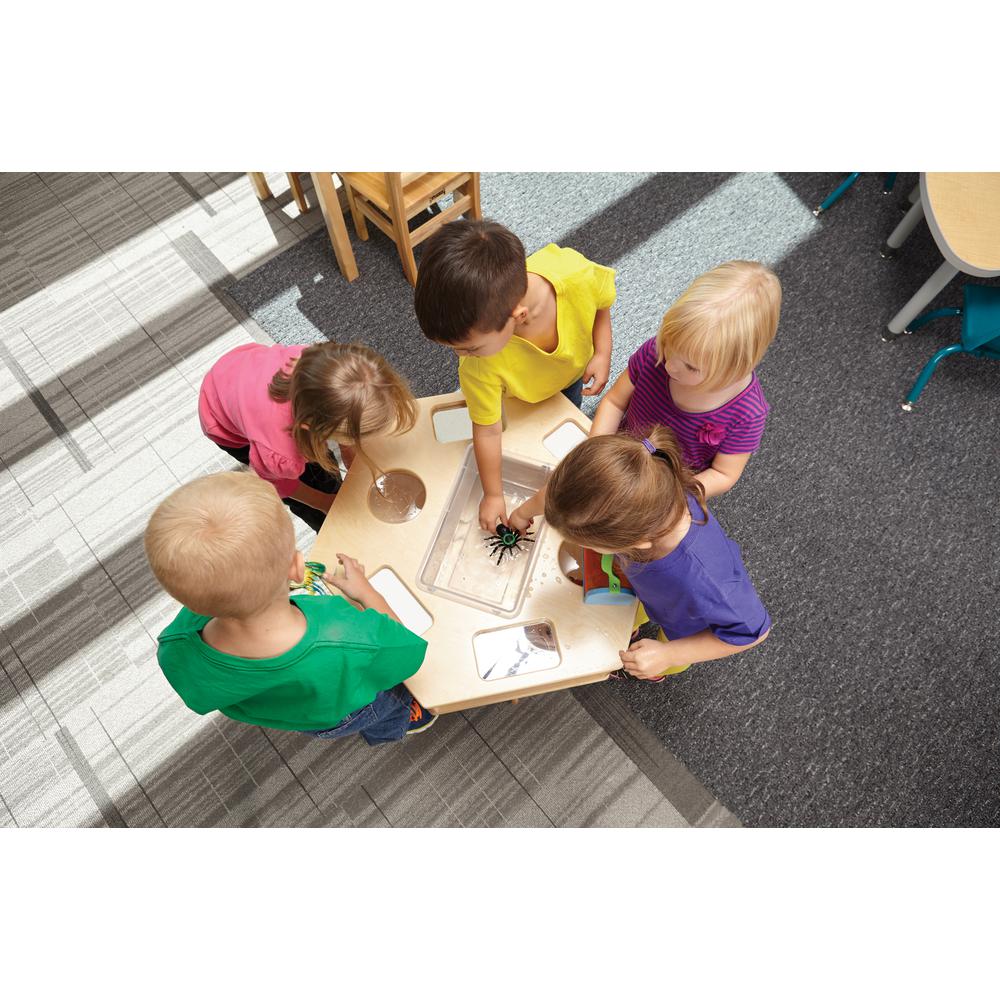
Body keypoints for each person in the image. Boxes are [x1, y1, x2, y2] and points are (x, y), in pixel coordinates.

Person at [144, 470, 436, 743]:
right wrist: (366, 592)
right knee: (386, 706)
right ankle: (400, 722)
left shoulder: (175, 642)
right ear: (297, 568)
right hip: (350, 708)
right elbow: (407, 652)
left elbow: (198, 696)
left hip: (303, 715)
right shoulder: (346, 638)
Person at [414, 218, 616, 531]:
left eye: (470, 348)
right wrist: (493, 494)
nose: (460, 357)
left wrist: (602, 352)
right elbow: (487, 430)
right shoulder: (478, 368)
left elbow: (601, 303)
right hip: (520, 399)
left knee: (568, 418)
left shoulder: (573, 273)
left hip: (570, 377)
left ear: (518, 317)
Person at [544, 427, 771, 681]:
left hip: (685, 622)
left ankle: (655, 669)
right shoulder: (652, 487)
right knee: (632, 611)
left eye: (591, 544)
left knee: (662, 653)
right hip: (651, 590)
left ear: (639, 543)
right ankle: (630, 631)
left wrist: (668, 655)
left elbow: (753, 632)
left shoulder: (708, 584)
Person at [590, 260, 781, 498]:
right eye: (668, 344)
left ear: (736, 368)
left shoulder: (747, 413)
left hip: (668, 490)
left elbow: (723, 474)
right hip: (620, 453)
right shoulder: (656, 353)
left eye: (690, 367)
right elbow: (615, 402)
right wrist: (594, 451)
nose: (669, 365)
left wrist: (673, 499)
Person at [198, 341, 417, 531]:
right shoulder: (281, 454)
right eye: (354, 438)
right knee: (317, 482)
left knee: (322, 464)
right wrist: (324, 502)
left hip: (236, 367)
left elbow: (344, 408)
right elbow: (276, 481)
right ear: (312, 427)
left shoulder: (325, 366)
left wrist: (347, 448)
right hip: (219, 417)